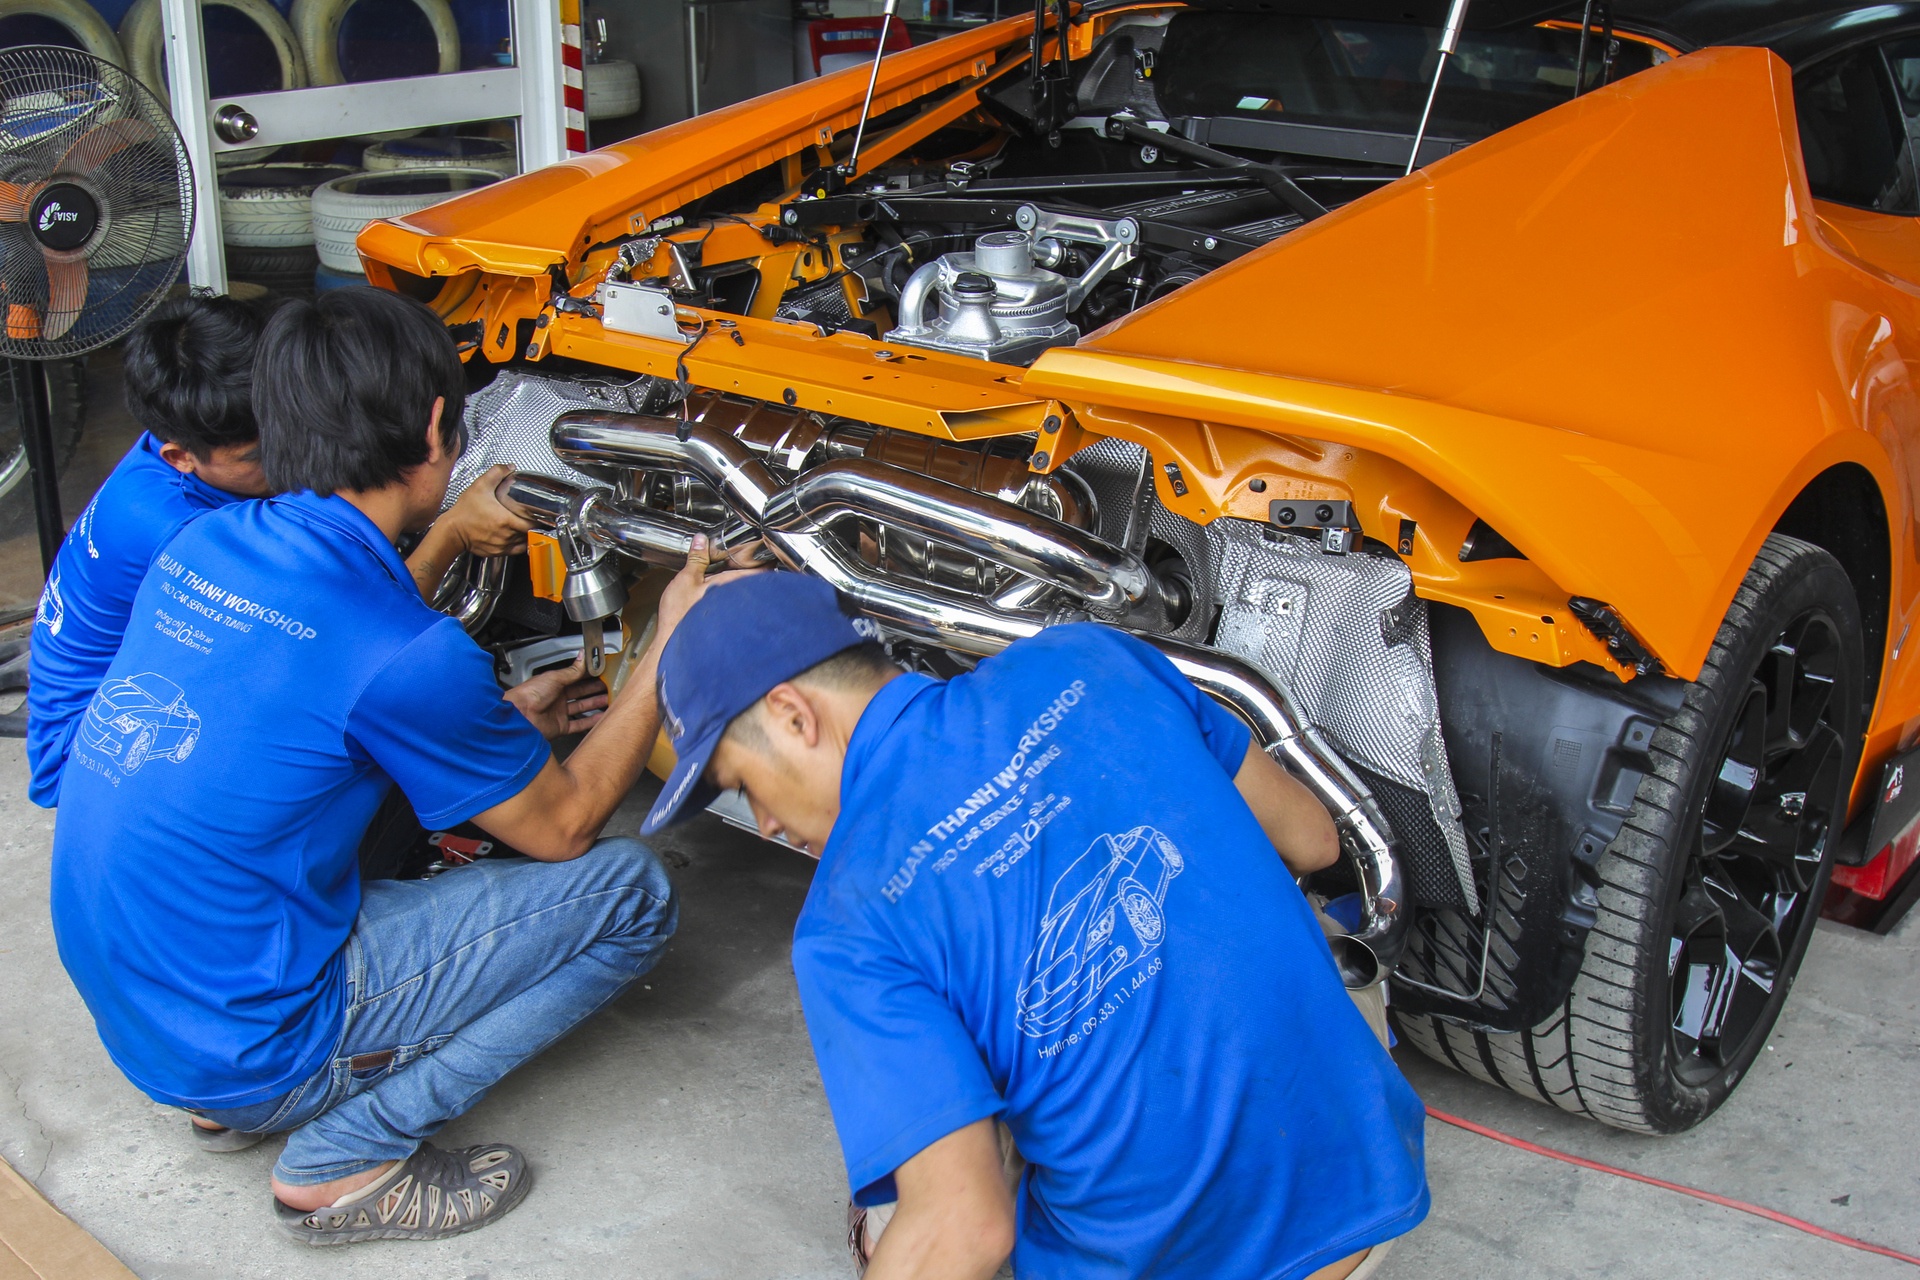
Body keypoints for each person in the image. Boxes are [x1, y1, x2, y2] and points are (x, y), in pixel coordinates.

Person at [47, 286, 732, 1245]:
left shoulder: (206, 543)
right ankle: (346, 1155)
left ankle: (226, 1102)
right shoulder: (408, 659)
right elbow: (565, 824)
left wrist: (486, 711)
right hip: (250, 1034)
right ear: (440, 426)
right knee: (631, 893)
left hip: (140, 1003)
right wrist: (670, 642)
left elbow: (326, 668)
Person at [642, 573, 1430, 1280]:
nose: (766, 823)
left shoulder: (846, 923)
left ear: (793, 716)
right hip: (1372, 1187)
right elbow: (1314, 841)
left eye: (742, 785)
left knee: (900, 1203)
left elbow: (963, 1230)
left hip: (1170, 1262)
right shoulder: (1092, 656)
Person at [26, 292, 533, 811]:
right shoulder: (184, 531)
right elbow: (344, 644)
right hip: (92, 755)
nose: (287, 457)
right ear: (181, 457)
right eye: (257, 455)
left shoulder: (184, 438)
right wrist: (450, 532)